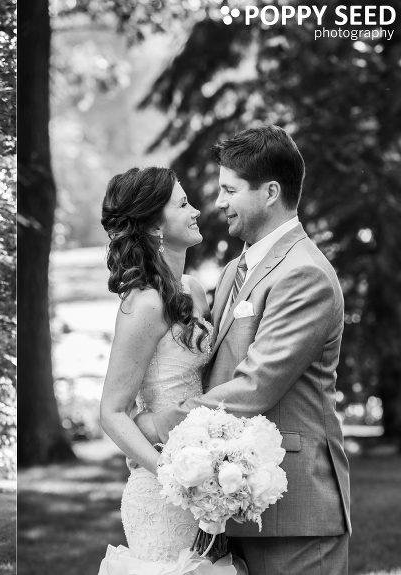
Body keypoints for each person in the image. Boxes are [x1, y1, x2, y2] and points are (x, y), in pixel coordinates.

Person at [135, 126, 350, 575]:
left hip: (294, 512)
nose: (218, 202)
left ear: (270, 192)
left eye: (230, 190)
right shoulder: (236, 268)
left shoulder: (304, 274)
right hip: (230, 503)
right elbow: (212, 366)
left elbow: (255, 386)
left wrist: (158, 425)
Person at [97, 167, 239, 574]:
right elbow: (111, 411)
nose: (196, 211)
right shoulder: (143, 304)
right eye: (183, 204)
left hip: (206, 475)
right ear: (156, 227)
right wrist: (170, 474)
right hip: (164, 490)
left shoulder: (193, 290)